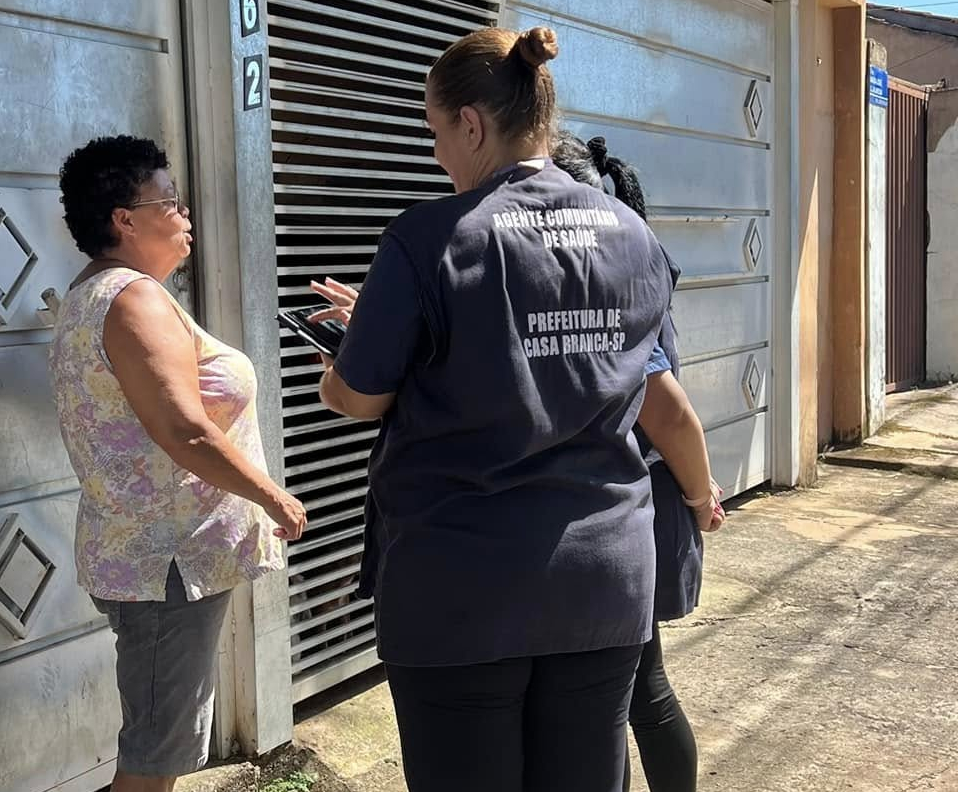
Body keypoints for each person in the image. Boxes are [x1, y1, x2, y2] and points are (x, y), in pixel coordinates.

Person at [308, 26, 720, 792]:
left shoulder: (426, 239)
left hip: (462, 586)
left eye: (436, 133)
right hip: (603, 582)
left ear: (471, 123)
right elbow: (611, 370)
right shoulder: (631, 235)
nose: (436, 155)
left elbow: (363, 398)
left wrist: (336, 371)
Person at [49, 135, 306, 792]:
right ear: (123, 219)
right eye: (170, 200)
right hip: (166, 568)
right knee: (153, 765)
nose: (186, 213)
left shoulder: (97, 295)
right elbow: (184, 432)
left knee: (157, 748)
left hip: (150, 560)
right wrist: (270, 495)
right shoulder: (130, 299)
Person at [551, 130, 722, 792]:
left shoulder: (609, 283)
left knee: (630, 694)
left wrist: (701, 499)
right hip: (617, 507)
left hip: (626, 503)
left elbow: (670, 414)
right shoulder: (621, 266)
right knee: (624, 692)